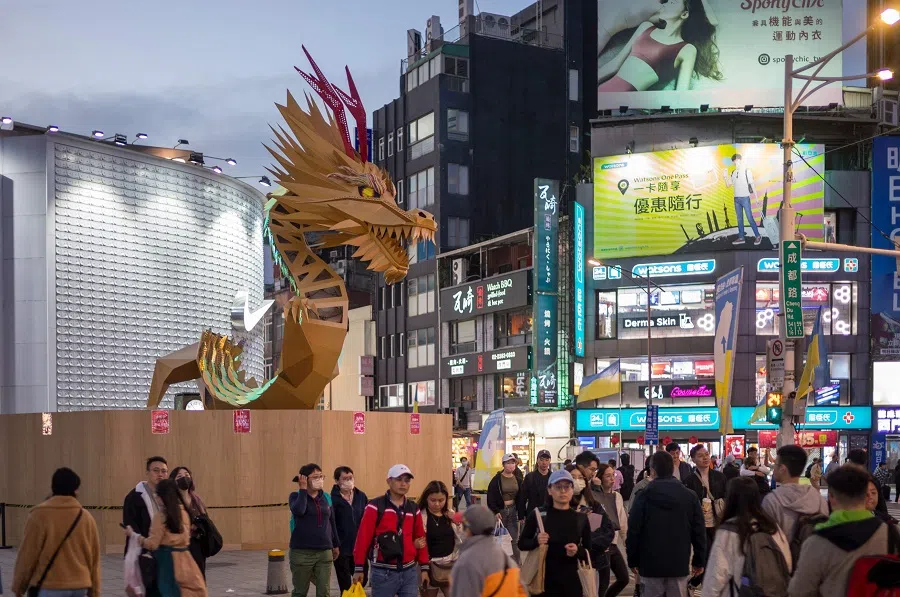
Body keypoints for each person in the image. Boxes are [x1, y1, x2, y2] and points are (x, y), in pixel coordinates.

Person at [789, 465, 900, 597]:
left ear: (831, 497)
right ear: (866, 494)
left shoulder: (816, 542)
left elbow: (800, 591)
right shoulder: (892, 533)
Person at [627, 451, 706, 597]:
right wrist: (699, 560)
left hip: (650, 564)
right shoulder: (689, 496)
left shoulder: (643, 495)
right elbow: (699, 531)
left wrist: (632, 559)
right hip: (679, 563)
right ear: (673, 469)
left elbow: (633, 530)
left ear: (652, 471)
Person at [597, 0, 723, 92]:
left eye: (672, 2)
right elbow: (614, 64)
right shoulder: (646, 27)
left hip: (627, 104)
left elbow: (681, 94)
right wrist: (587, 86)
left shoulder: (687, 49)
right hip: (605, 93)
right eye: (666, 2)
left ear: (684, 14)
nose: (664, 4)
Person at [12, 468, 101, 597]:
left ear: (53, 487)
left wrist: (19, 587)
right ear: (75, 490)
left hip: (50, 584)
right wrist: (95, 591)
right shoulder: (86, 517)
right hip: (80, 585)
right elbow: (94, 557)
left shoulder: (39, 515)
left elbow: (28, 553)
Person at [701, 477, 791, 597]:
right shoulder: (772, 527)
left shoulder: (729, 531)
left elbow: (715, 578)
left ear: (731, 499)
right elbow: (786, 564)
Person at [353, 464, 429, 597]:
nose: (403, 484)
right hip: (383, 572)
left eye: (407, 480)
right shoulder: (375, 506)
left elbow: (421, 538)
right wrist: (359, 568)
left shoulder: (413, 508)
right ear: (389, 481)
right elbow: (363, 538)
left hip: (409, 571)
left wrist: (424, 568)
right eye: (399, 479)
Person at [127, 478, 208, 597]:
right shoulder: (184, 513)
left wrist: (134, 536)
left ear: (160, 496)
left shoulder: (161, 517)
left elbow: (152, 544)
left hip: (167, 562)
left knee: (169, 591)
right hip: (186, 560)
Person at [518, 469, 593, 597]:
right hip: (542, 584)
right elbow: (522, 543)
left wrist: (578, 551)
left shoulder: (581, 518)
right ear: (549, 490)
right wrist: (536, 541)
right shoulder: (538, 515)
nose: (563, 491)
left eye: (567, 487)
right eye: (558, 487)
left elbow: (590, 551)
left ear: (572, 489)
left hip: (572, 585)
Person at [449, 505, 526, 597]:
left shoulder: (466, 562)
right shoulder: (505, 557)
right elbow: (522, 591)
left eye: (462, 526)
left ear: (468, 530)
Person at [288, 463, 340, 597]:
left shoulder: (326, 497)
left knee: (324, 591)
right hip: (302, 552)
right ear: (304, 479)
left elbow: (332, 521)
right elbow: (299, 510)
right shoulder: (295, 496)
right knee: (300, 591)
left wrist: (335, 544)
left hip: (324, 551)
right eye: (315, 477)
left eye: (321, 476)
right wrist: (303, 489)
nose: (320, 479)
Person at [762, 445, 829, 544]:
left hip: (783, 558)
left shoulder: (772, 501)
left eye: (776, 465)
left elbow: (767, 542)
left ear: (782, 468)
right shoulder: (818, 499)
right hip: (812, 556)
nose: (774, 468)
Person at [123, 455, 169, 597]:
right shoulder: (134, 497)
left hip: (166, 553)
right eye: (156, 470)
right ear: (147, 473)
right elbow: (132, 527)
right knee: (150, 590)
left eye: (163, 471)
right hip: (145, 554)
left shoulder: (169, 495)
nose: (160, 474)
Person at [568, 464, 617, 588]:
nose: (577, 481)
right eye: (573, 477)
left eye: (580, 477)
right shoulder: (559, 507)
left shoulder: (593, 505)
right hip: (568, 565)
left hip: (595, 561)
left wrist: (588, 545)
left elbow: (607, 530)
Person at [684, 444, 727, 583]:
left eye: (707, 454)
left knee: (717, 554)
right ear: (693, 459)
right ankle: (700, 581)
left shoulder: (720, 477)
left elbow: (727, 496)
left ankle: (703, 581)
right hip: (700, 523)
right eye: (700, 456)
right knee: (704, 553)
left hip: (717, 521)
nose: (705, 458)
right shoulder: (689, 480)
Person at [418, 481, 460, 597]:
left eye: (441, 500)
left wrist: (456, 521)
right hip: (430, 565)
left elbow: (462, 537)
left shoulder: (450, 514)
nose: (437, 504)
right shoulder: (420, 516)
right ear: (426, 498)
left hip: (449, 564)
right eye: (433, 500)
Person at [331, 466, 368, 593]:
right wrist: (334, 544)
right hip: (341, 548)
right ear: (337, 481)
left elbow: (367, 519)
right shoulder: (332, 499)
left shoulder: (361, 496)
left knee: (363, 579)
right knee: (345, 583)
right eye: (345, 478)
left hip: (360, 548)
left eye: (350, 478)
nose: (349, 481)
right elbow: (331, 523)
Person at [169, 467, 210, 577]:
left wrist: (200, 525)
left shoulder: (196, 499)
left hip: (197, 544)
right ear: (173, 481)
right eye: (179, 476)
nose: (184, 478)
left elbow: (205, 518)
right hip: (180, 546)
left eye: (187, 475)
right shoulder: (171, 500)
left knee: (199, 577)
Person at [595, 463, 629, 597]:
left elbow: (622, 520)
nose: (612, 479)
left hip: (613, 544)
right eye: (608, 476)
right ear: (600, 477)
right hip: (602, 545)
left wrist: (626, 540)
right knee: (603, 583)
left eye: (613, 475)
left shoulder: (617, 496)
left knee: (623, 578)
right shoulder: (595, 496)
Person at [486, 454, 526, 563]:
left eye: (513, 463)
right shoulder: (497, 479)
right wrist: (495, 511)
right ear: (503, 464)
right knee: (500, 538)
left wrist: (521, 514)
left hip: (513, 511)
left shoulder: (518, 479)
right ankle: (499, 562)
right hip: (501, 512)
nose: (511, 465)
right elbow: (491, 497)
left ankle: (516, 563)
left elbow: (521, 498)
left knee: (514, 538)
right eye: (508, 463)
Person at [723, 153, 763, 245]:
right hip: (736, 199)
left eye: (737, 161)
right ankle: (741, 237)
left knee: (749, 218)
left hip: (745, 197)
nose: (736, 163)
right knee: (739, 219)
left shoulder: (747, 171)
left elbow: (752, 184)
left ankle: (757, 236)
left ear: (741, 160)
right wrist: (725, 177)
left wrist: (756, 199)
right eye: (734, 162)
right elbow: (728, 185)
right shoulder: (733, 172)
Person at [847, 449, 889, 519]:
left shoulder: (844, 479)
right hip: (870, 521)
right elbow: (882, 507)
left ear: (850, 461)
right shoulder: (873, 480)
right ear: (865, 462)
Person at [522, 450, 552, 516]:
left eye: (547, 460)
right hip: (533, 514)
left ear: (550, 461)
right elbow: (523, 497)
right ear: (537, 461)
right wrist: (521, 515)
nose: (544, 463)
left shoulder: (553, 477)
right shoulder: (530, 477)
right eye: (541, 460)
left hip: (550, 514)